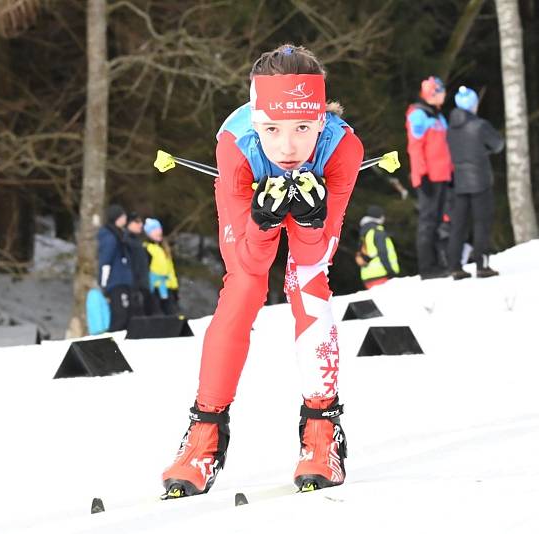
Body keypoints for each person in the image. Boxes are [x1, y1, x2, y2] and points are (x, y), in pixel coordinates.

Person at [161, 43, 363, 498]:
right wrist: (263, 219)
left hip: (316, 209)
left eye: (302, 128)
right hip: (250, 199)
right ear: (256, 119)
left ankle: (321, 430)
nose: (287, 147)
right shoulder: (236, 146)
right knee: (242, 291)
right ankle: (204, 435)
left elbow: (313, 258)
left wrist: (312, 220)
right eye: (271, 128)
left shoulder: (342, 148)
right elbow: (248, 262)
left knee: (306, 285)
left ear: (320, 121)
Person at [446, 86, 505, 279]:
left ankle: (455, 266)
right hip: (480, 181)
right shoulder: (480, 125)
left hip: (460, 182)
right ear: (473, 104)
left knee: (459, 225)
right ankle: (482, 265)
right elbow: (498, 145)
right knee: (482, 223)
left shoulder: (450, 128)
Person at [405, 76, 454, 279]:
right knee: (428, 221)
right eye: (441, 91)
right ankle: (427, 267)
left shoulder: (439, 117)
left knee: (438, 221)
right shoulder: (418, 115)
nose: (444, 95)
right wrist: (421, 175)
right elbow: (415, 148)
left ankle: (439, 263)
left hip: (442, 176)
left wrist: (451, 173)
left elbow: (445, 149)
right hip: (429, 177)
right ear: (432, 94)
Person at [97, 204, 133, 331]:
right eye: (123, 216)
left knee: (126, 316)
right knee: (120, 316)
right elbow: (105, 262)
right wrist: (104, 284)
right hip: (115, 282)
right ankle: (111, 342)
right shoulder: (110, 237)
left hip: (123, 281)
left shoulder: (120, 235)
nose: (125, 218)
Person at [355, 205, 400, 288]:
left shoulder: (364, 232)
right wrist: (390, 271)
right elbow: (382, 252)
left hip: (367, 276)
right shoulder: (378, 232)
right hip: (381, 274)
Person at [143, 218, 179, 315]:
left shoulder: (164, 248)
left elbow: (170, 269)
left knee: (172, 314)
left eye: (159, 229)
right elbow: (144, 269)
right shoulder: (147, 248)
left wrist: (175, 287)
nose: (158, 231)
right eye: (154, 230)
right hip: (154, 288)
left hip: (168, 287)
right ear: (148, 233)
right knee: (158, 315)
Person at [125, 212, 153, 316]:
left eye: (141, 221)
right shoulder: (127, 241)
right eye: (137, 221)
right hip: (135, 287)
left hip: (143, 285)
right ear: (128, 223)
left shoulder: (138, 241)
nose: (140, 224)